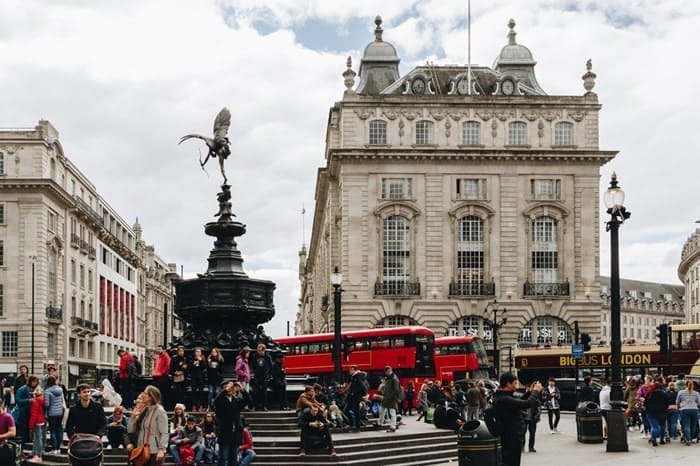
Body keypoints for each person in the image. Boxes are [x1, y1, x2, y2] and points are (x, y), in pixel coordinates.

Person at [491, 373, 543, 466]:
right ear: (508, 384)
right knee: (512, 462)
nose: (516, 385)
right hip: (511, 436)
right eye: (515, 383)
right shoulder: (505, 399)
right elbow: (526, 404)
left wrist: (529, 392)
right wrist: (536, 391)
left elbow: (518, 403)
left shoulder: (502, 397)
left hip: (509, 435)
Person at [126, 385, 169, 466]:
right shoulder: (144, 410)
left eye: (145, 393)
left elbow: (164, 432)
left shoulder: (159, 411)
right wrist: (133, 416)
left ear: (151, 397)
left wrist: (161, 449)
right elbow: (130, 430)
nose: (142, 395)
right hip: (142, 450)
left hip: (154, 451)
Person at [215, 380, 252, 466]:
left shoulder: (236, 400)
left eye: (231, 388)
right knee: (223, 458)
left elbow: (249, 402)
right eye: (227, 388)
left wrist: (242, 390)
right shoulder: (220, 400)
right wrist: (226, 389)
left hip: (235, 434)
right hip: (225, 433)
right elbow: (217, 402)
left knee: (233, 459)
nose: (230, 390)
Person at [44, 375, 65, 454]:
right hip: (60, 412)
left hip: (51, 413)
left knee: (52, 430)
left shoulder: (47, 391)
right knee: (59, 429)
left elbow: (47, 404)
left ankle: (54, 449)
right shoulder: (60, 389)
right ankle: (59, 448)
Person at [15, 374, 39, 444]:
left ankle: (28, 439)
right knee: (23, 428)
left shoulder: (36, 389)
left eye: (36, 382)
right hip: (23, 412)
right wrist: (28, 400)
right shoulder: (22, 389)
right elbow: (18, 400)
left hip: (32, 412)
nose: (34, 383)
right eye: (33, 382)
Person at [646, 377, 669, 446]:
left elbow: (645, 403)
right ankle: (662, 439)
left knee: (654, 427)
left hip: (651, 412)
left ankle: (654, 439)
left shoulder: (650, 394)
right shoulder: (664, 394)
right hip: (662, 412)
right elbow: (667, 403)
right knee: (662, 426)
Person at [676, 379, 700, 445]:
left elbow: (677, 401)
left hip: (684, 410)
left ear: (685, 385)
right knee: (693, 426)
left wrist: (678, 407)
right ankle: (691, 439)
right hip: (694, 410)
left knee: (686, 425)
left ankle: (688, 439)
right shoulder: (696, 393)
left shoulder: (681, 392)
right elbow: (699, 403)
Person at [250, 344, 272, 411]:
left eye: (260, 351)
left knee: (264, 392)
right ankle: (254, 406)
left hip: (264, 376)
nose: (259, 352)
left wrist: (268, 375)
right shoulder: (254, 356)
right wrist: (253, 373)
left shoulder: (267, 357)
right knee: (255, 391)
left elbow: (271, 366)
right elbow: (252, 365)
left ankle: (264, 406)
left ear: (263, 350)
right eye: (258, 350)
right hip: (257, 376)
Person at [346, 366, 367, 432]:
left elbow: (362, 386)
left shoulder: (358, 377)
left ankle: (357, 427)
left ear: (354, 370)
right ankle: (352, 424)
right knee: (346, 410)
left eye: (351, 370)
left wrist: (363, 395)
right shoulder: (352, 377)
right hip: (352, 397)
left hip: (356, 397)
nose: (349, 371)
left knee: (356, 411)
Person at [380, 366, 401, 433]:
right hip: (387, 397)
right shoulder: (387, 378)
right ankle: (380, 422)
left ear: (391, 370)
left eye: (389, 371)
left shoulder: (394, 378)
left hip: (391, 398)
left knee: (392, 412)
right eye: (387, 372)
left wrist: (389, 396)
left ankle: (393, 427)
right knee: (382, 410)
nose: (388, 373)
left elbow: (396, 390)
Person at [521, 387, 541, 453]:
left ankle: (531, 447)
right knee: (523, 433)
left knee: (532, 434)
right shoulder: (524, 398)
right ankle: (522, 447)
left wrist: (537, 416)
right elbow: (521, 401)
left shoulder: (535, 399)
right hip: (524, 418)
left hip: (532, 418)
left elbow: (539, 408)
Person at [28, 386, 45, 462]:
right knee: (38, 438)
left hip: (36, 422)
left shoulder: (35, 402)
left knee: (37, 439)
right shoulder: (41, 400)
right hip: (41, 421)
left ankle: (38, 455)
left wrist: (30, 425)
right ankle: (35, 453)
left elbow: (34, 414)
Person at [190, 347, 207, 412]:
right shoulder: (192, 358)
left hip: (201, 377)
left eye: (199, 352)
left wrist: (201, 361)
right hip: (193, 377)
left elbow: (205, 367)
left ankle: (200, 405)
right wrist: (193, 364)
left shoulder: (203, 358)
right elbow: (189, 366)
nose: (198, 353)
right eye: (197, 352)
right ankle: (194, 405)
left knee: (201, 391)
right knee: (194, 391)